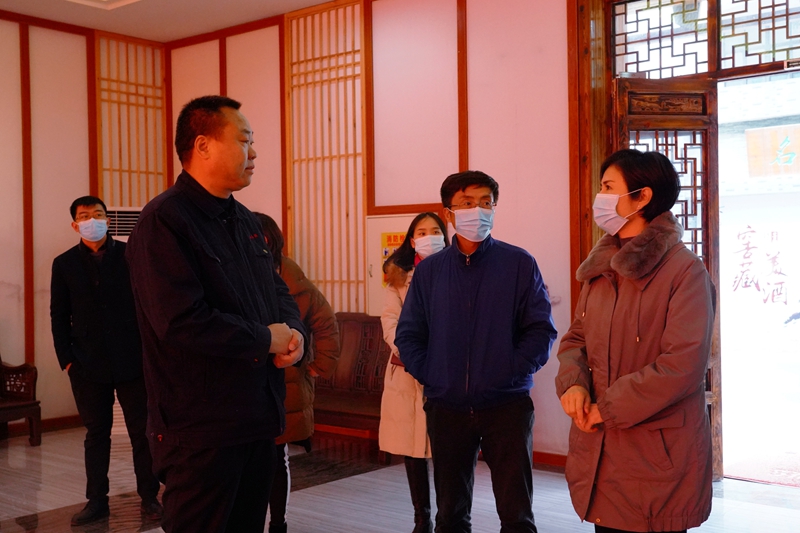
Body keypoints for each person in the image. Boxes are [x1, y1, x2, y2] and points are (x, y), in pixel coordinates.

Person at [126, 95, 306, 533]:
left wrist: (295, 334)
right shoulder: (163, 221)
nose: (254, 152)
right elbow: (180, 321)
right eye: (244, 140)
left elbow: (276, 290)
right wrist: (265, 339)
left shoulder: (244, 220)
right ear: (203, 145)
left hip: (256, 417)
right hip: (200, 430)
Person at [555, 149, 716, 533]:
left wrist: (607, 409)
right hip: (600, 447)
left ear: (642, 197)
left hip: (656, 454)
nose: (600, 197)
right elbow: (576, 339)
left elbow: (682, 365)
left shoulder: (684, 271)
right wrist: (573, 384)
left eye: (609, 187)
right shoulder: (600, 270)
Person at [395, 171, 557, 533]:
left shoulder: (518, 263)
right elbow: (409, 335)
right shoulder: (430, 272)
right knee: (450, 515)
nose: (478, 211)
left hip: (506, 405)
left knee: (516, 515)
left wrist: (511, 370)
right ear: (449, 212)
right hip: (447, 406)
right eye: (468, 203)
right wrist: (433, 374)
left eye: (486, 202)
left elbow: (540, 330)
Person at [50, 196, 162, 526]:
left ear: (108, 220)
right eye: (85, 216)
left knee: (141, 432)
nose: (92, 220)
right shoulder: (64, 263)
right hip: (87, 363)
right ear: (75, 225)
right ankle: (96, 501)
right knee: (96, 434)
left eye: (98, 214)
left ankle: (149, 496)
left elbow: (149, 303)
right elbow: (59, 315)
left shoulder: (130, 254)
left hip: (132, 359)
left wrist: (150, 351)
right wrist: (67, 360)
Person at [253, 212, 340, 533]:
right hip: (247, 384)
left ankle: (279, 523)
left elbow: (326, 323)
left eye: (263, 237)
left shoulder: (294, 280)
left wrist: (319, 367)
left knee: (278, 458)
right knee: (250, 461)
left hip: (287, 382)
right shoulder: (237, 272)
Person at [379, 212, 449, 533]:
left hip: (446, 371)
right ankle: (422, 519)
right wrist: (413, 354)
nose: (429, 237)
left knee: (447, 450)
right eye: (422, 232)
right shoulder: (398, 277)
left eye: (435, 231)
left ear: (445, 236)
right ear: (411, 239)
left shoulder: (455, 270)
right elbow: (390, 322)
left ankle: (448, 517)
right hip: (408, 371)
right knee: (413, 449)